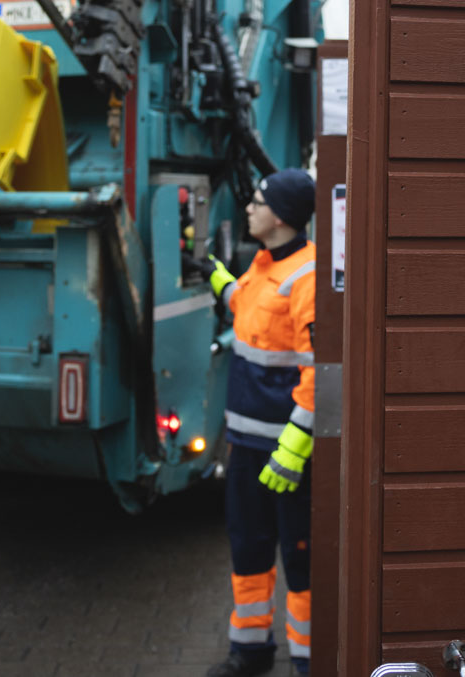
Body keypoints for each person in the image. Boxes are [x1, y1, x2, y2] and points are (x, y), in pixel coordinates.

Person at [203, 168, 318, 677]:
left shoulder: (309, 276)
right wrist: (218, 279)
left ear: (283, 216)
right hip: (247, 446)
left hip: (285, 457)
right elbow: (251, 313)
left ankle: (309, 662)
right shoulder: (263, 265)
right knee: (248, 550)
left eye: (256, 202)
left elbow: (321, 373)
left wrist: (293, 450)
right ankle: (249, 654)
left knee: (301, 563)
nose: (248, 208)